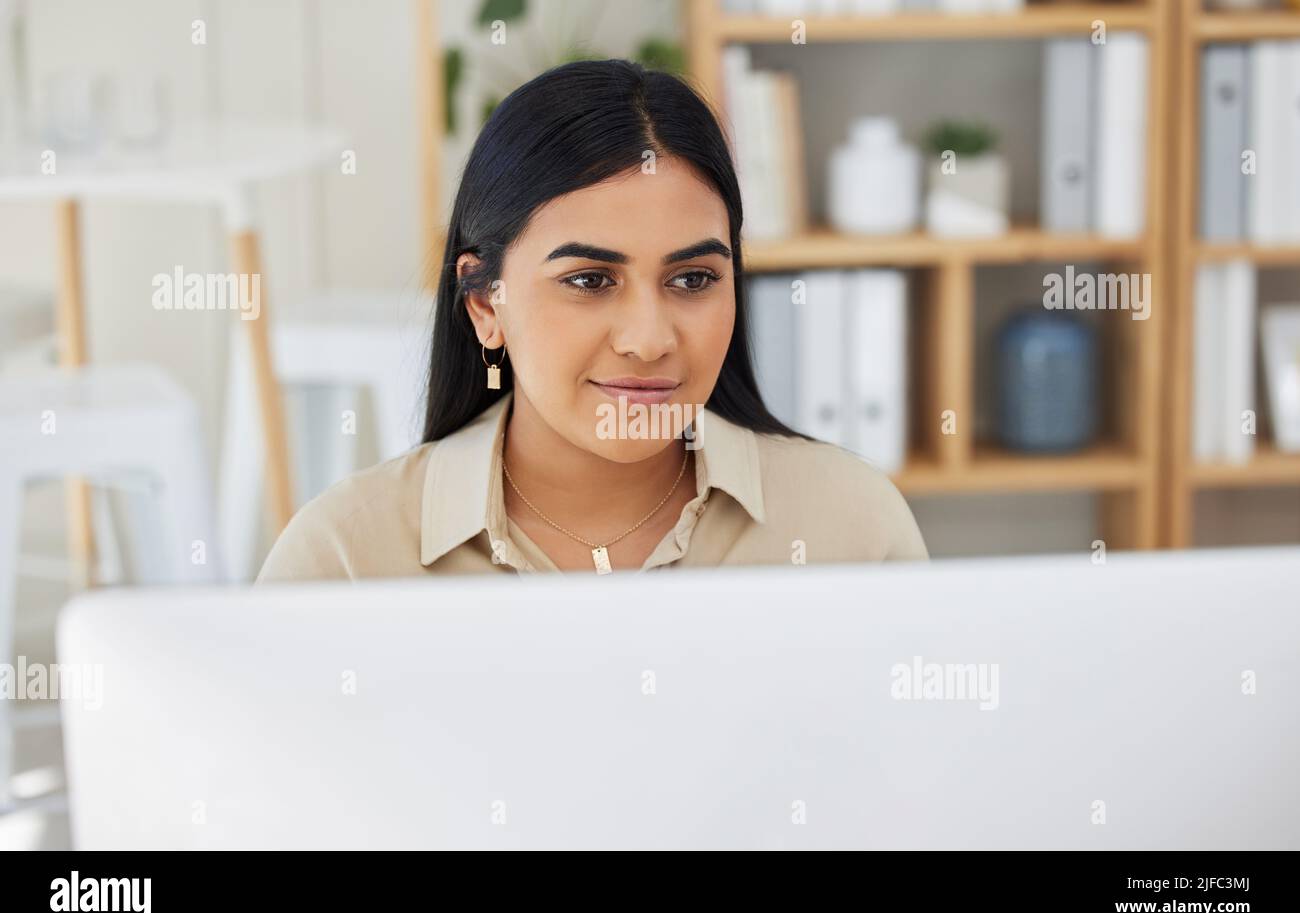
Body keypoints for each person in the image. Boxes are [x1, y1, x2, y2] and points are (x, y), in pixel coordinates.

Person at [257, 58, 926, 581]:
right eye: (589, 280)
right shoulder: (346, 559)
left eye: (692, 279)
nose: (649, 339)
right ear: (484, 302)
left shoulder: (852, 530)